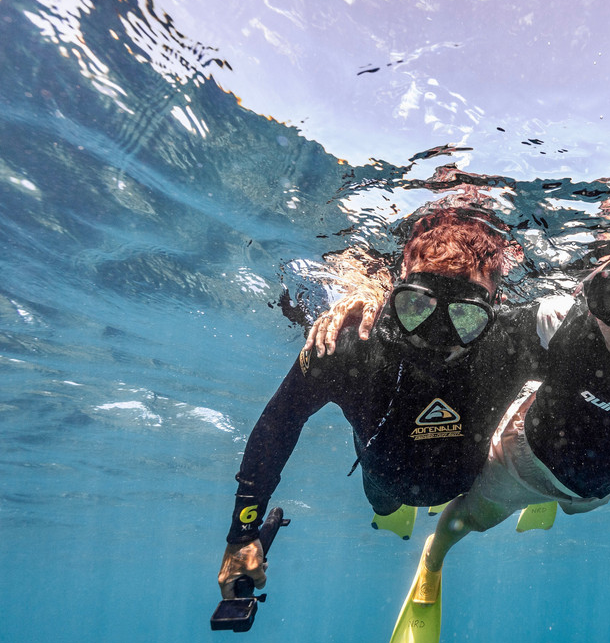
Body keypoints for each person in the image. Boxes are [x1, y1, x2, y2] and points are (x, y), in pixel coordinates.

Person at [383, 237, 610, 643]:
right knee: (467, 521)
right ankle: (432, 562)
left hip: (596, 490)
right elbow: (467, 333)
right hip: (522, 463)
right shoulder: (561, 321)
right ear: (591, 301)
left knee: (578, 506)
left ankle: (552, 501)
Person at [216, 207, 553, 599]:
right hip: (385, 481)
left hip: (470, 478)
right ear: (397, 287)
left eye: (464, 316)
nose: (436, 335)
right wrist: (242, 534)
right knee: (385, 506)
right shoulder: (349, 344)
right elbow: (280, 421)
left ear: (497, 304)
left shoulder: (513, 339)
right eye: (417, 308)